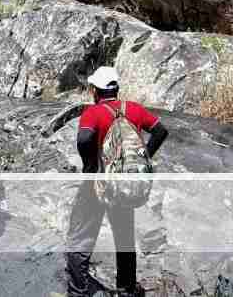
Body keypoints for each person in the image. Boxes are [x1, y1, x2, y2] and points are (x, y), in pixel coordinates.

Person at [65, 66, 168, 297]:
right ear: (116, 89)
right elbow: (161, 131)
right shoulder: (134, 109)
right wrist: (145, 156)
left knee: (81, 234)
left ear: (95, 91)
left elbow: (84, 138)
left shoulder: (93, 113)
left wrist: (90, 164)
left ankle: (78, 290)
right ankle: (127, 289)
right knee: (124, 237)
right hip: (124, 183)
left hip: (98, 183)